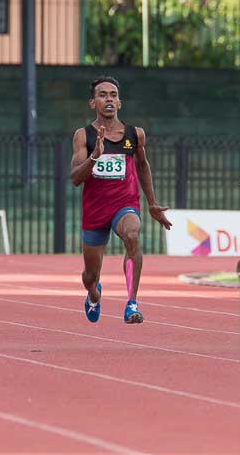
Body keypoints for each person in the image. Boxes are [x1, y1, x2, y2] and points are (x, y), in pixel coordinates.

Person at [70, 76, 171, 324]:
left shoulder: (135, 135)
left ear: (120, 103)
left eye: (113, 95)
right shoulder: (83, 136)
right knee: (89, 276)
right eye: (102, 95)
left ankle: (132, 303)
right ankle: (94, 295)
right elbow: (75, 178)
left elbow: (143, 166)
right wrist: (94, 156)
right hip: (95, 211)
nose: (109, 99)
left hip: (124, 204)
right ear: (92, 103)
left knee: (132, 235)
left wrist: (152, 203)